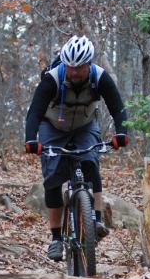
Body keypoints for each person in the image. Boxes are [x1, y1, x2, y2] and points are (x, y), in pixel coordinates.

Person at [25, 35, 129, 261]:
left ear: (88, 64)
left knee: (91, 162)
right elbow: (34, 112)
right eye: (70, 67)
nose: (73, 72)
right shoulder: (52, 79)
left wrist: (121, 133)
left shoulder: (100, 77)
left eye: (79, 68)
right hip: (51, 125)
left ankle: (96, 219)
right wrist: (31, 139)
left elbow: (117, 108)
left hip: (84, 125)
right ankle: (56, 239)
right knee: (52, 178)